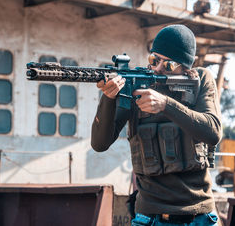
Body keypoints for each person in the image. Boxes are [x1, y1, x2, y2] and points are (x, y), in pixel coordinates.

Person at [91, 24, 222, 225]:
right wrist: (108, 99)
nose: (158, 68)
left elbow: (213, 132)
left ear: (186, 67)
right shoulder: (137, 85)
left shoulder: (201, 79)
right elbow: (99, 144)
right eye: (154, 60)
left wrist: (166, 105)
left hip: (199, 215)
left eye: (169, 65)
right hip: (150, 216)